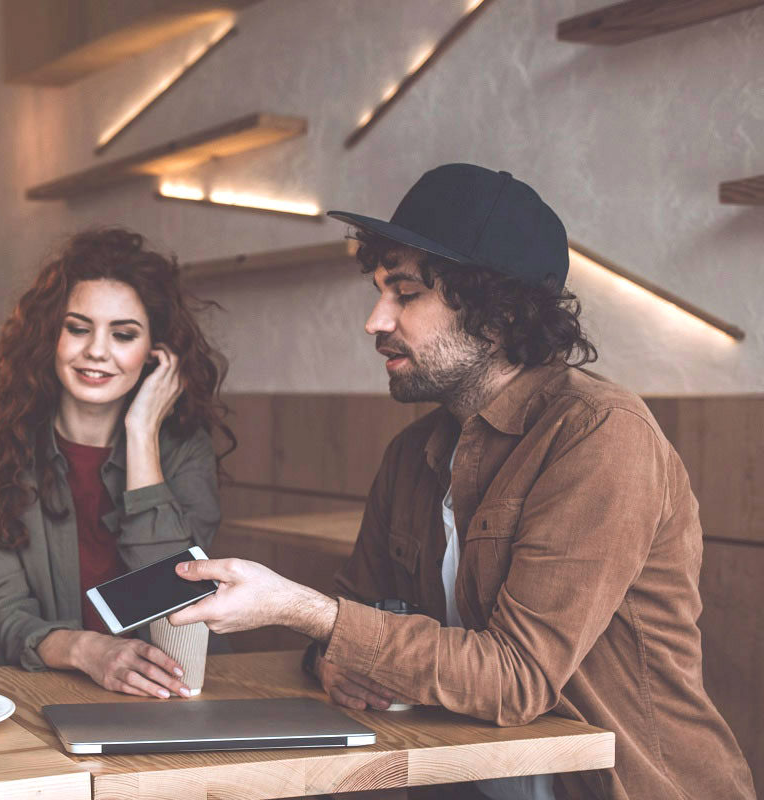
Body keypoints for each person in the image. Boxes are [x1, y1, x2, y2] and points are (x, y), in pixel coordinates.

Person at [168, 164, 756, 800]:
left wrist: (305, 613)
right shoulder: (411, 453)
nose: (375, 320)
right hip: (466, 775)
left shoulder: (599, 435)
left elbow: (516, 678)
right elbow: (355, 615)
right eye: (377, 291)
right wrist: (331, 658)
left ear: (497, 314)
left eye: (405, 293)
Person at [0, 227, 232, 700]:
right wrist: (88, 651)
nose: (97, 351)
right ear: (51, 336)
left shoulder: (184, 449)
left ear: (154, 353)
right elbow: (0, 616)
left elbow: (173, 594)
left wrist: (142, 432)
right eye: (78, 328)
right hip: (47, 695)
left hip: (171, 693)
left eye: (123, 334)